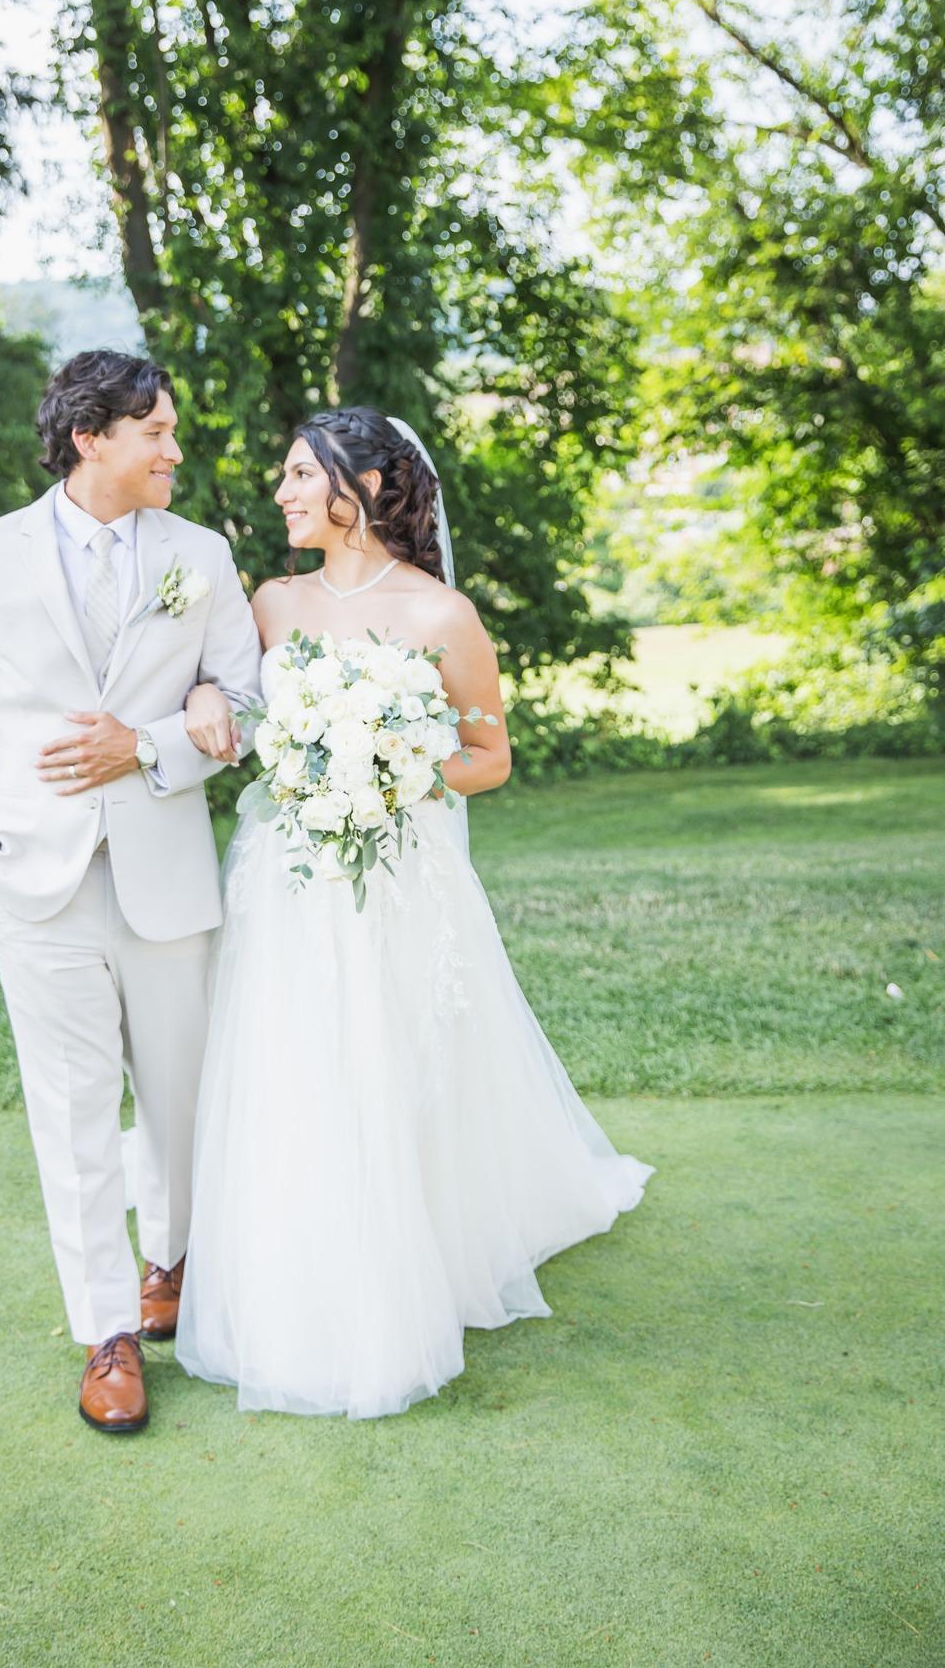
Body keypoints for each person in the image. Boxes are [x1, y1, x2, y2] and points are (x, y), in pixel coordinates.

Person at [174, 407, 653, 1419]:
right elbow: (231, 708)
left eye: (300, 474)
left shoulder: (442, 615)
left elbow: (489, 756)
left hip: (395, 875)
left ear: (365, 485)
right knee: (288, 1062)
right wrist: (216, 709)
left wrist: (390, 768)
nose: (281, 492)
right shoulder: (269, 602)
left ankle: (403, 1267)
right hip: (285, 876)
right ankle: (291, 1272)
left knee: (392, 1063)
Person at [0, 350, 262, 1435]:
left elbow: (246, 703)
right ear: (90, 438)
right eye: (156, 431)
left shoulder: (201, 554)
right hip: (35, 882)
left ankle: (173, 1260)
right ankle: (106, 1332)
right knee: (70, 1113)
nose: (175, 449)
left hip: (167, 876)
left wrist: (152, 743)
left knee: (179, 1097)